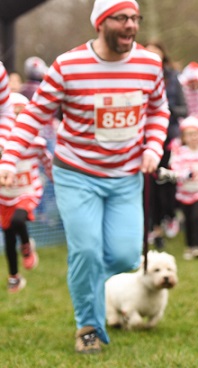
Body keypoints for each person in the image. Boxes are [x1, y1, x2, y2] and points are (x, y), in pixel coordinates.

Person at [0, 0, 169, 353]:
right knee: (87, 251)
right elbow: (33, 116)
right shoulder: (68, 65)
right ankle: (87, 326)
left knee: (126, 257)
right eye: (121, 18)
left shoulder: (149, 64)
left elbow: (158, 110)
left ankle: (87, 279)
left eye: (135, 18)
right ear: (101, 23)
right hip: (77, 174)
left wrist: (153, 148)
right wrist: (9, 158)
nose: (131, 26)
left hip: (125, 176)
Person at [2, 93, 52, 293]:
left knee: (17, 221)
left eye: (20, 114)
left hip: (28, 191)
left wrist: (55, 177)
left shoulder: (36, 143)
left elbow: (47, 161)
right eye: (12, 115)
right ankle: (14, 277)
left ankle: (26, 246)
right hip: (5, 195)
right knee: (7, 235)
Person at [145, 41, 188, 246]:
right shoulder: (138, 76)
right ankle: (155, 229)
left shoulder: (172, 78)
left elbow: (183, 109)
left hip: (168, 140)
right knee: (149, 187)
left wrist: (164, 109)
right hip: (144, 140)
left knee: (166, 183)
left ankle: (170, 214)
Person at [169, 116, 198, 261]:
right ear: (183, 137)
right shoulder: (180, 152)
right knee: (188, 219)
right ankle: (189, 246)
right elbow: (174, 168)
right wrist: (184, 174)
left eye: (196, 134)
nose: (193, 137)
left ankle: (197, 246)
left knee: (196, 217)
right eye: (189, 134)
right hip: (185, 193)